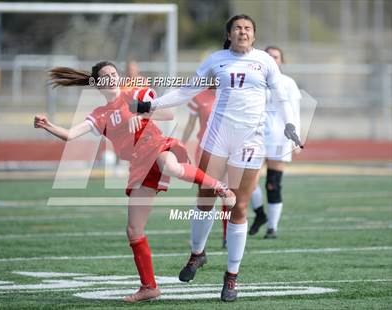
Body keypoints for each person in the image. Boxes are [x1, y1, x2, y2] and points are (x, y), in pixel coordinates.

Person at [130, 15, 302, 301]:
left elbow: (282, 98)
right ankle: (197, 253)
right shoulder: (216, 60)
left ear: (254, 35)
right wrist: (152, 104)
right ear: (229, 33)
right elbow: (187, 91)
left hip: (250, 141)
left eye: (247, 28)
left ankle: (232, 276)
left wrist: (290, 124)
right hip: (218, 137)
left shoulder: (265, 61)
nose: (243, 32)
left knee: (239, 206)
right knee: (205, 196)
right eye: (237, 28)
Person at [33, 61, 236, 302]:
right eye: (105, 75)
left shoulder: (134, 92)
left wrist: (141, 111)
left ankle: (219, 187)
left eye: (113, 72)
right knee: (133, 229)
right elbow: (70, 135)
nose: (112, 77)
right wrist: (47, 126)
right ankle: (149, 287)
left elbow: (168, 112)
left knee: (169, 166)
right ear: (98, 84)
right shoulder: (100, 114)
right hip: (139, 164)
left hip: (157, 145)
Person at [248, 46, 302, 239]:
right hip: (257, 136)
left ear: (281, 61)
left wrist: (296, 138)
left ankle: (272, 227)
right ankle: (260, 214)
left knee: (273, 184)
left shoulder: (288, 83)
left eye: (276, 56)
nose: (272, 59)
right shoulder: (255, 81)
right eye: (268, 56)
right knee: (249, 182)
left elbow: (294, 112)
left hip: (280, 137)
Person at [181, 88, 229, 249]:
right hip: (205, 150)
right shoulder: (199, 97)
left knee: (227, 191)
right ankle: (199, 239)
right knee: (205, 195)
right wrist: (181, 145)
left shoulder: (230, 93)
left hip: (226, 149)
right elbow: (190, 125)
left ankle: (227, 236)